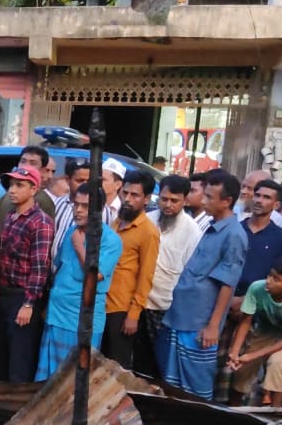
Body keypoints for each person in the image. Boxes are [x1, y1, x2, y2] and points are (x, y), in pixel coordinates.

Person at [159, 169, 248, 400]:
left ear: (227, 201)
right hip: (182, 316)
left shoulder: (234, 234)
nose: (203, 200)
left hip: (199, 323)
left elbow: (227, 284)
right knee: (173, 383)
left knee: (196, 386)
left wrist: (213, 325)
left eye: (210, 197)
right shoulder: (212, 226)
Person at [36, 184, 124, 382]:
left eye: (85, 206)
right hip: (56, 313)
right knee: (47, 379)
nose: (78, 210)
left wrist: (79, 246)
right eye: (76, 205)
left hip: (81, 319)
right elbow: (59, 267)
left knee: (75, 381)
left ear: (100, 209)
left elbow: (95, 275)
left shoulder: (111, 240)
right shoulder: (71, 231)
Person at [0, 165, 55, 383]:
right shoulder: (10, 215)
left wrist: (28, 304)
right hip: (2, 293)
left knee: (20, 358)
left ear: (33, 189)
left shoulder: (41, 222)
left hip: (22, 296)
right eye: (11, 184)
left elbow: (40, 267)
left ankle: (17, 408)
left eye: (20, 185)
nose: (12, 190)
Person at [136, 175, 201, 378]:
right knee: (137, 359)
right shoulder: (147, 220)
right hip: (137, 301)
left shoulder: (192, 231)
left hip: (166, 306)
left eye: (174, 201)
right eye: (164, 199)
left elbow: (190, 273)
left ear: (185, 200)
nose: (168, 205)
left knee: (161, 361)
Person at [227, 255, 282, 407]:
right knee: (243, 365)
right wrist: (235, 351)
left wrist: (252, 356)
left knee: (277, 362)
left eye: (276, 279)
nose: (269, 281)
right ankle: (234, 408)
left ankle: (275, 411)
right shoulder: (257, 288)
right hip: (268, 326)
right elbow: (246, 321)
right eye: (269, 275)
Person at [102, 170, 160, 370]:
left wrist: (133, 314)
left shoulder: (148, 232)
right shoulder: (117, 221)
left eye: (134, 195)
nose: (127, 199)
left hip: (122, 309)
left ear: (147, 199)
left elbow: (146, 276)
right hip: (103, 303)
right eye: (125, 193)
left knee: (118, 367)